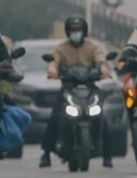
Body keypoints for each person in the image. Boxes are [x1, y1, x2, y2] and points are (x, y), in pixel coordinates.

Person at [40, 15, 113, 169]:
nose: (76, 32)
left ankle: (107, 156)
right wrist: (52, 70)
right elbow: (54, 62)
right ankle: (46, 153)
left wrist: (104, 69)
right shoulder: (61, 48)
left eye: (79, 29)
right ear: (68, 31)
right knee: (54, 116)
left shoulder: (92, 47)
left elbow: (100, 60)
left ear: (84, 31)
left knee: (102, 115)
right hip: (68, 88)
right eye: (73, 30)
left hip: (90, 87)